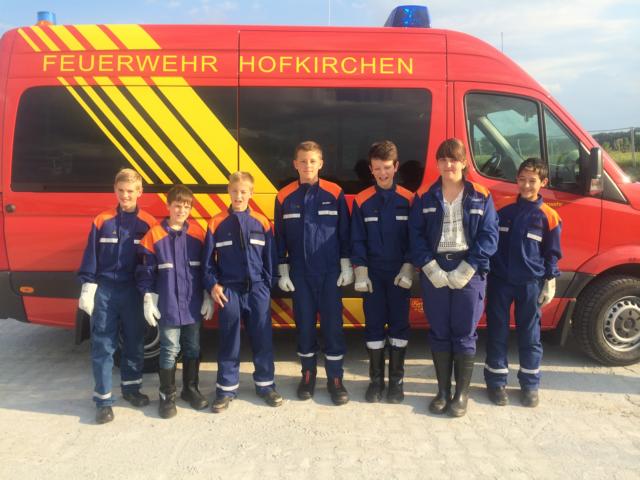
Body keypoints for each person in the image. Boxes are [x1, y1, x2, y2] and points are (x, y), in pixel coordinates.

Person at [409, 138, 498, 417]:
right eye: (443, 159)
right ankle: (442, 392)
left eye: (454, 159)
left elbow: (490, 235)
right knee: (439, 331)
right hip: (435, 267)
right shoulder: (424, 196)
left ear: (463, 163)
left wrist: (469, 267)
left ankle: (461, 394)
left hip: (468, 268)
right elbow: (415, 235)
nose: (449, 164)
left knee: (464, 333)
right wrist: (429, 266)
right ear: (437, 164)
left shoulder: (481, 195)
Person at [274, 140, 354, 405]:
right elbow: (279, 237)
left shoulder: (335, 193)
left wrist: (346, 265)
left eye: (312, 161)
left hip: (330, 273)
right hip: (300, 274)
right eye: (303, 161)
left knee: (333, 327)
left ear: (321, 163)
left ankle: (335, 379)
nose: (307, 165)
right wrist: (283, 271)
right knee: (304, 326)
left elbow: (344, 233)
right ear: (295, 164)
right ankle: (307, 375)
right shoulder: (284, 196)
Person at [78, 168, 157, 424]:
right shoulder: (102, 220)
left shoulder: (148, 223)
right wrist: (88, 286)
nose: (125, 195)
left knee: (134, 341)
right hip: (106, 291)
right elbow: (91, 254)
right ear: (115, 190)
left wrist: (150, 292)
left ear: (140, 192)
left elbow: (151, 261)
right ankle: (103, 401)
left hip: (133, 291)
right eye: (121, 190)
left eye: (131, 191)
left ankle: (132, 389)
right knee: (103, 344)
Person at [484, 158, 562, 408]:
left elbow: (552, 252)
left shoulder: (549, 216)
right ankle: (496, 382)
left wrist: (550, 279)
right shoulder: (503, 210)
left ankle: (530, 385)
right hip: (500, 282)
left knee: (530, 334)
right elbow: (490, 242)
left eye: (532, 181)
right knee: (497, 331)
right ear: (516, 180)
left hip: (530, 284)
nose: (526, 185)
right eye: (522, 180)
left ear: (543, 183)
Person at [202, 172, 283, 412]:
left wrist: (267, 285)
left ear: (251, 193)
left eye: (243, 192)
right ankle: (226, 389)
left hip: (257, 290)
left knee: (262, 338)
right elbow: (207, 262)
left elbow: (271, 257)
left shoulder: (262, 222)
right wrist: (213, 285)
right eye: (235, 191)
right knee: (229, 340)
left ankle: (266, 386)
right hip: (230, 290)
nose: (239, 196)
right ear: (228, 191)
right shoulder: (216, 222)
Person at [136, 185, 213, 419]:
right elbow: (146, 272)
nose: (181, 210)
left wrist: (208, 296)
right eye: (177, 205)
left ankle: (190, 389)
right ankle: (166, 395)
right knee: (169, 350)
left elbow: (207, 268)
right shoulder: (154, 235)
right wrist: (148, 298)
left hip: (193, 304)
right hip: (168, 305)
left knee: (193, 347)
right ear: (168, 206)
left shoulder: (198, 234)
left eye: (186, 206)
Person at [350, 141, 414, 403]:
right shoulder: (362, 200)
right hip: (373, 276)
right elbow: (357, 239)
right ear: (371, 169)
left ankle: (396, 382)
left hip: (400, 275)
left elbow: (415, 238)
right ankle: (376, 381)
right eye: (377, 168)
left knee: (399, 326)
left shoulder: (409, 200)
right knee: (374, 326)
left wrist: (409, 266)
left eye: (387, 167)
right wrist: (361, 271)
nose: (382, 173)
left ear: (396, 166)